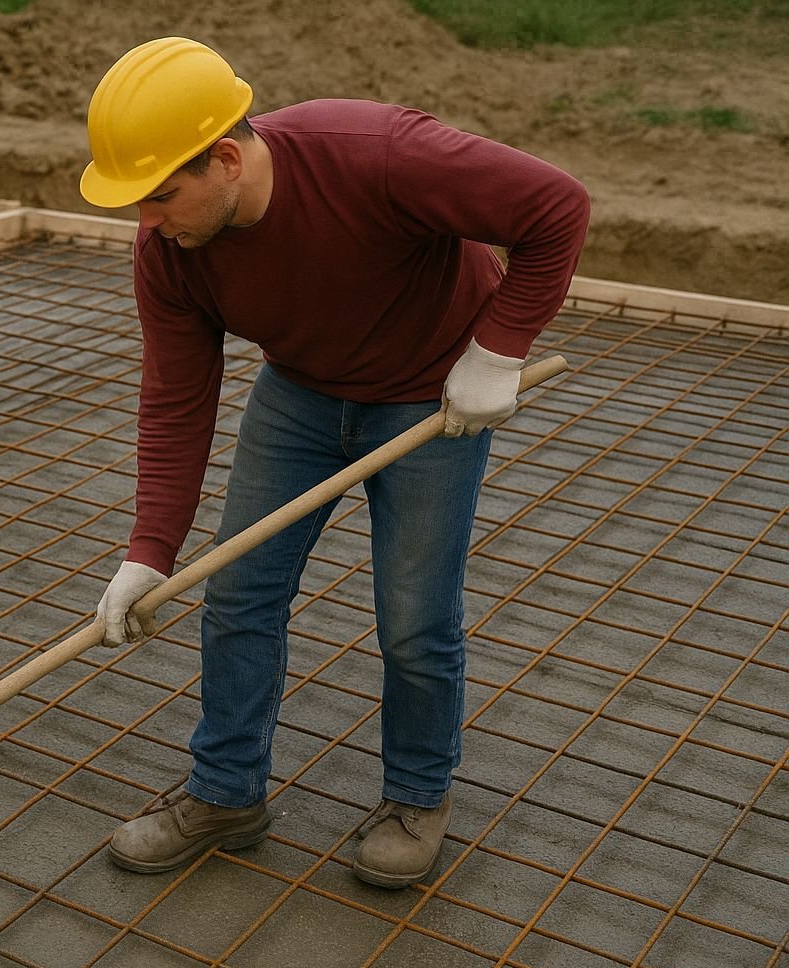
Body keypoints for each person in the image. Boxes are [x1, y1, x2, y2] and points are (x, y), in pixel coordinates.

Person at [79, 38, 589, 887]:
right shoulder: (169, 250)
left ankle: (417, 796)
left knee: (414, 619)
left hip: (433, 398)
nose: (147, 222)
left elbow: (557, 208)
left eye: (160, 196)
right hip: (302, 395)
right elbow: (176, 399)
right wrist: (148, 550)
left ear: (228, 160)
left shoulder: (374, 155)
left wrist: (497, 353)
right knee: (238, 592)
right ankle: (225, 794)